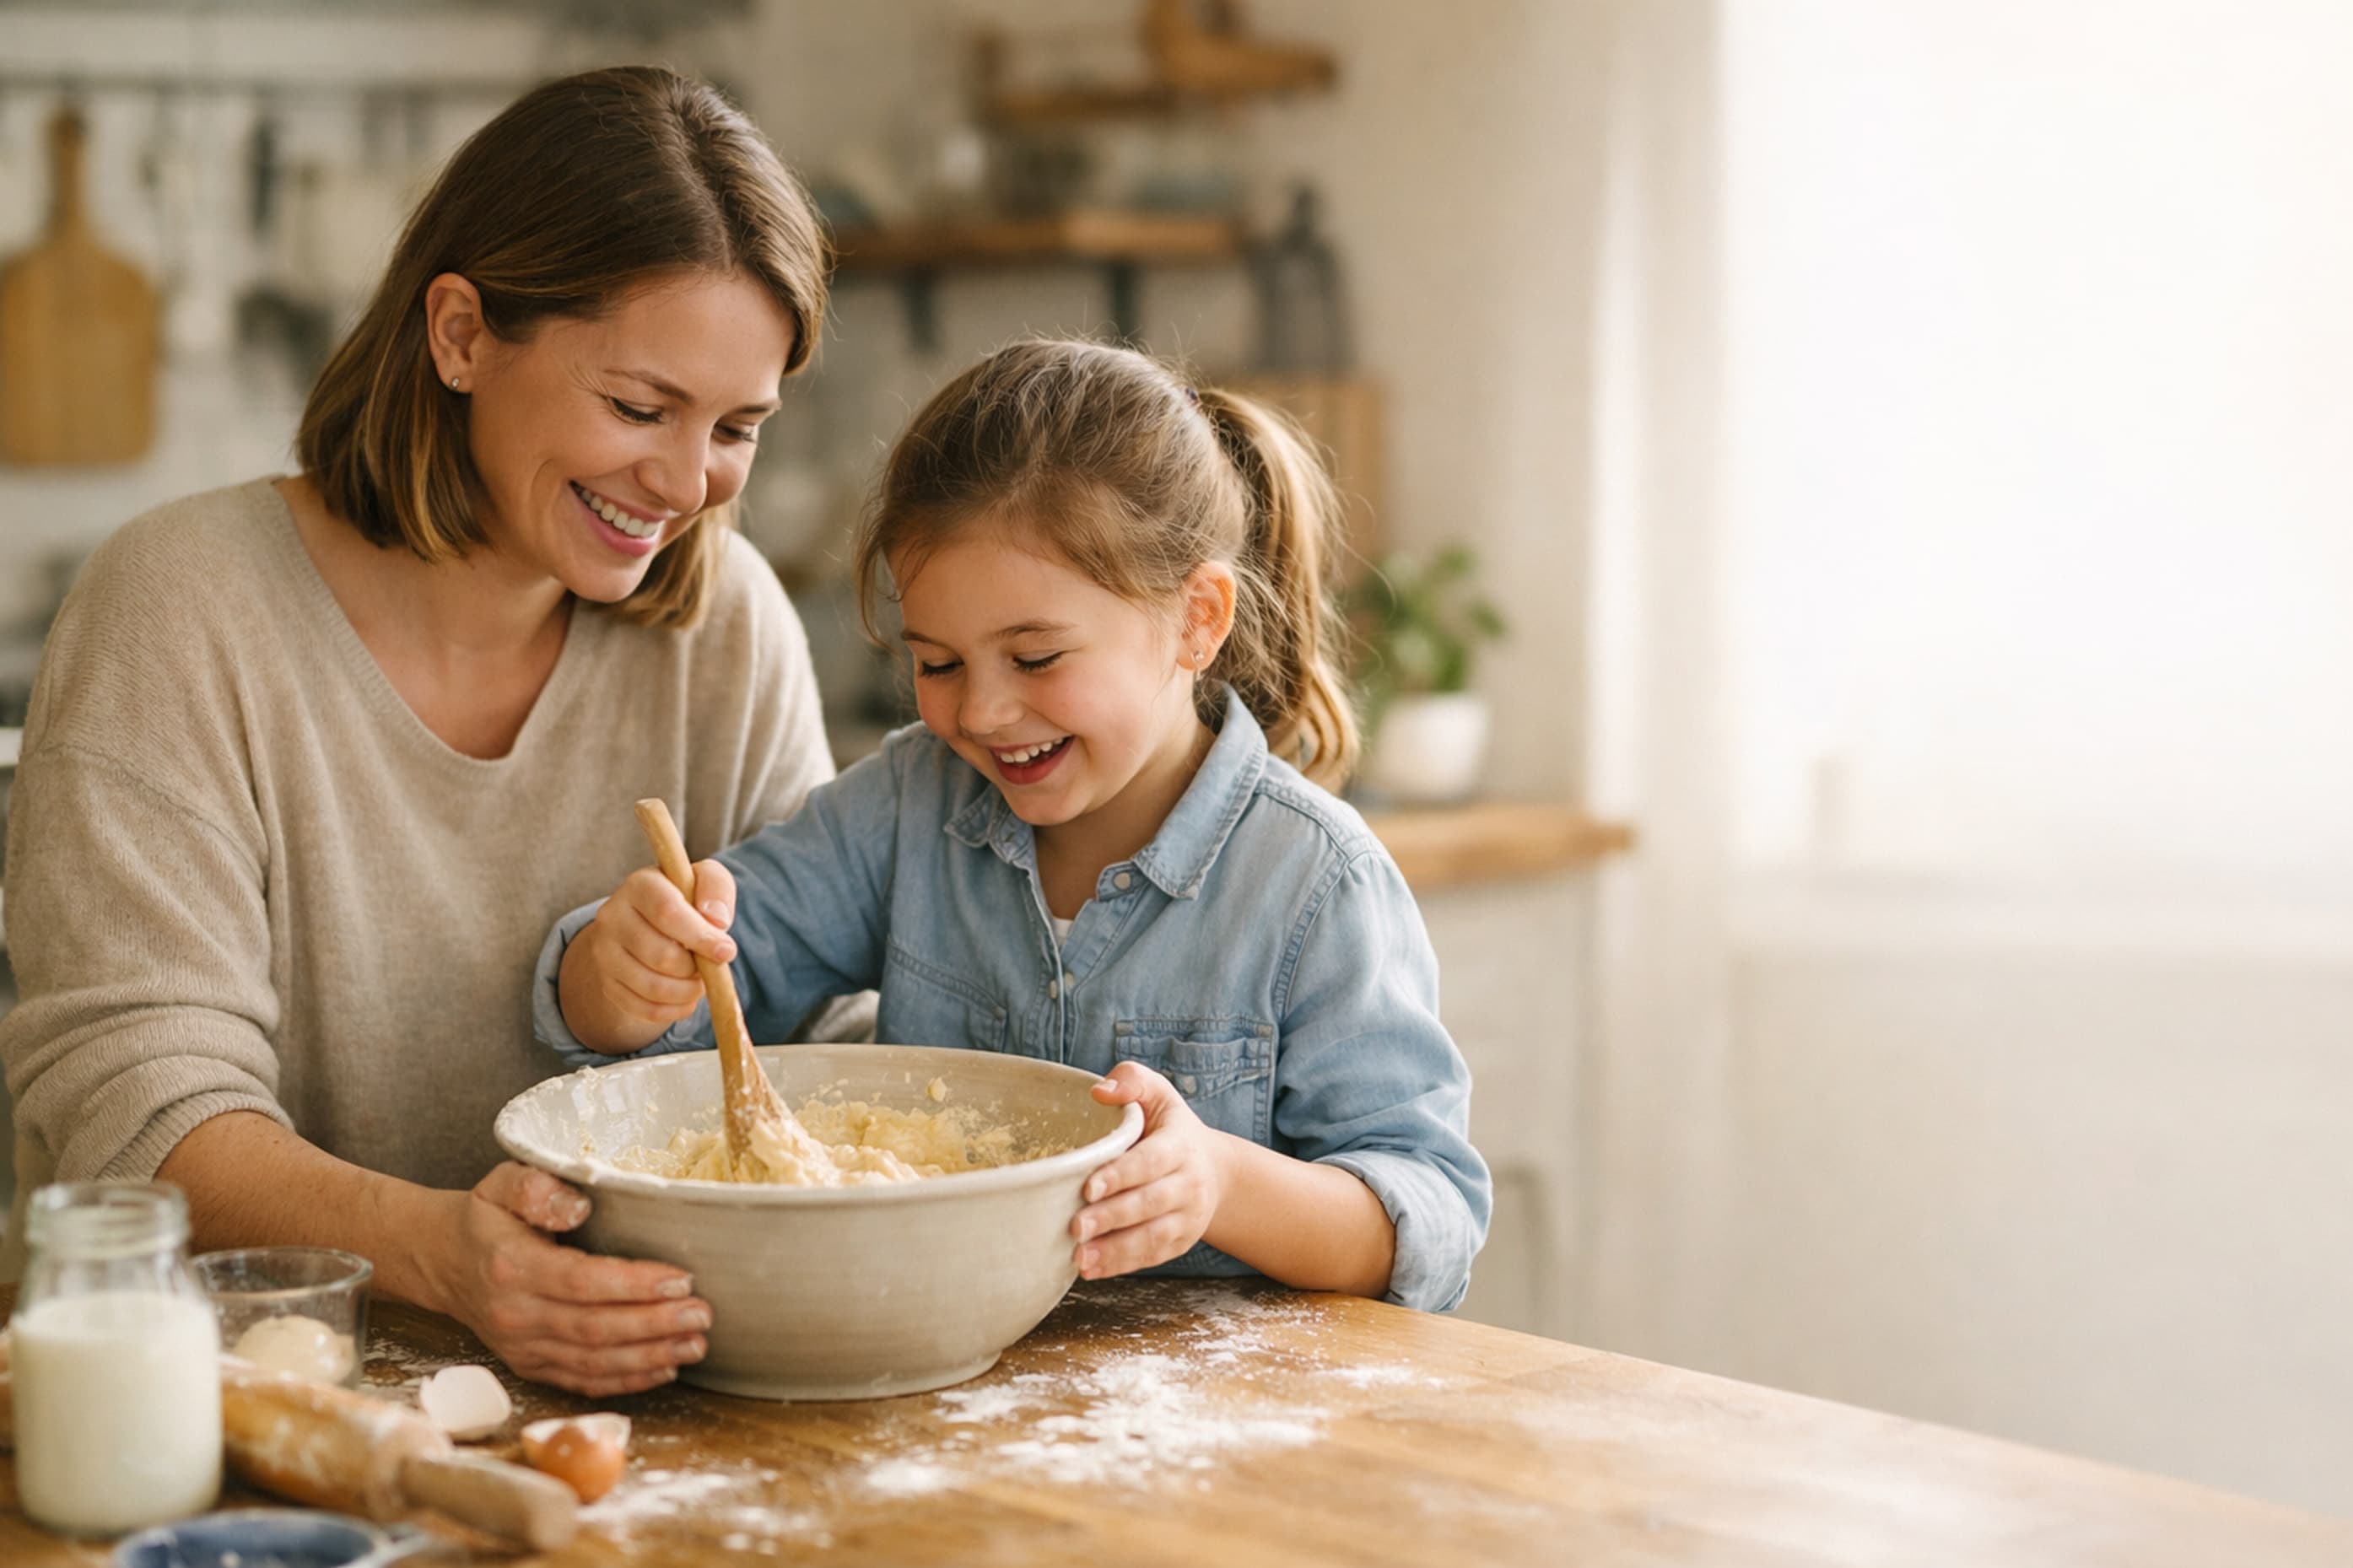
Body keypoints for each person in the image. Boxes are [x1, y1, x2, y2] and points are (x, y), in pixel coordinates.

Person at [0, 67, 852, 1395]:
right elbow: (138, 1106)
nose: (687, 484)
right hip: (232, 1405)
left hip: (646, 1396)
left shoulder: (724, 625)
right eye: (638, 407)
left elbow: (819, 1039)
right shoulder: (178, 605)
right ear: (459, 334)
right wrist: (446, 1255)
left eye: (736, 427)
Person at [541, 339, 1492, 1312]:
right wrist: (619, 979)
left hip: (1213, 1428)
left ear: (1197, 619)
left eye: (1034, 658)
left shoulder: (1313, 882)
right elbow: (730, 981)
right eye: (939, 663)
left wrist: (1220, 1181)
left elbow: (1426, 1214)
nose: (982, 713)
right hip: (935, 1378)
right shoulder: (911, 803)